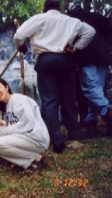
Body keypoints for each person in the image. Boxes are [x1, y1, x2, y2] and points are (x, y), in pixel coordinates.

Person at [13, 0, 96, 153]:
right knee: (68, 98)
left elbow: (18, 35)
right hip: (65, 60)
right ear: (60, 8)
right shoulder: (70, 20)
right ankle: (74, 134)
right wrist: (76, 48)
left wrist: (21, 45)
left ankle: (56, 138)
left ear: (45, 8)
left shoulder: (39, 18)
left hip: (45, 61)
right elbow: (90, 31)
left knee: (49, 100)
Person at [67, 1, 112, 136]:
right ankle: (91, 119)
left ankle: (107, 111)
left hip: (87, 58)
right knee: (98, 87)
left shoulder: (72, 23)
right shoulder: (97, 17)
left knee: (91, 88)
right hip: (104, 57)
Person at [0, 78, 49, 171]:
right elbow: (17, 122)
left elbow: (28, 122)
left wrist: (8, 130)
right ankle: (17, 160)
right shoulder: (6, 105)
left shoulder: (17, 99)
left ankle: (35, 158)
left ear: (6, 87)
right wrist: (4, 123)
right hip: (27, 138)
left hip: (37, 139)